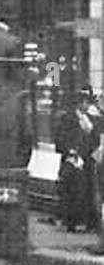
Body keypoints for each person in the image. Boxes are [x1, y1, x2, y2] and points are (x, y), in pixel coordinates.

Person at [55, 91, 99, 232]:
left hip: (87, 160)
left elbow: (95, 139)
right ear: (78, 103)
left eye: (87, 102)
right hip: (72, 160)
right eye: (83, 102)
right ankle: (71, 222)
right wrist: (70, 151)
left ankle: (88, 222)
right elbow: (61, 139)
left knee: (88, 191)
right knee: (72, 191)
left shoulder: (91, 119)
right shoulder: (68, 118)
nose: (86, 105)